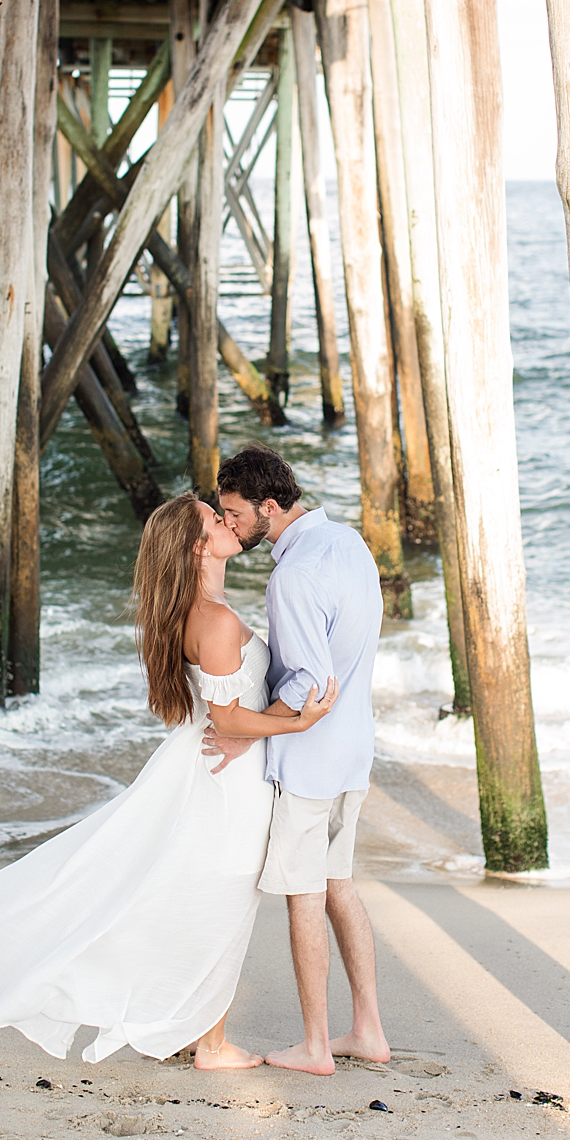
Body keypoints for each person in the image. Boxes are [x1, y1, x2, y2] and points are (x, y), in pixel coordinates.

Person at [0, 491, 334, 1069]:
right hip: (226, 781)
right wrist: (300, 720)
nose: (228, 521)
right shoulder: (216, 620)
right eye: (215, 517)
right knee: (223, 898)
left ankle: (190, 1027)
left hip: (210, 768)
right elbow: (227, 718)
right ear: (196, 544)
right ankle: (211, 1044)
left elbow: (223, 712)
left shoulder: (199, 612)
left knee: (188, 891)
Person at [212, 444, 391, 1074]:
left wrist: (247, 731)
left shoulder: (291, 574)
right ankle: (367, 1028)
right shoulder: (348, 543)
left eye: (233, 514)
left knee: (304, 896)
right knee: (338, 885)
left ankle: (317, 1045)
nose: (227, 524)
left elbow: (308, 682)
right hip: (353, 752)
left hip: (311, 760)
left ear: (267, 506)